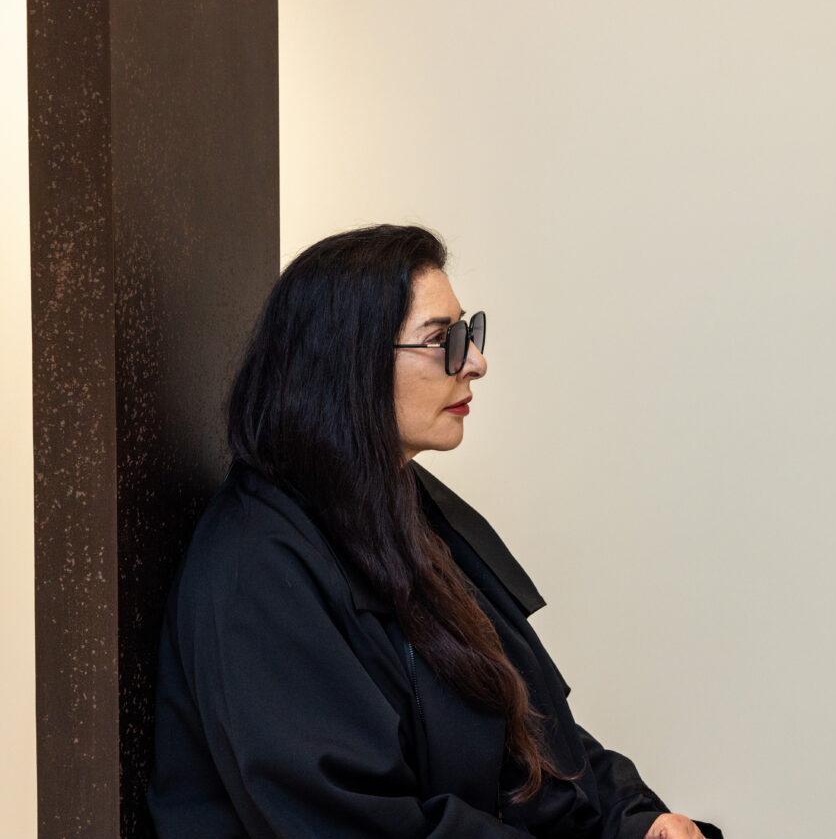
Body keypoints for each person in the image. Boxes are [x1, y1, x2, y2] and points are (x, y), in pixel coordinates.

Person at [148, 224, 722, 839]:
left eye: (467, 332)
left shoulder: (402, 507)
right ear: (349, 364)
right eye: (441, 341)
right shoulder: (256, 569)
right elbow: (357, 822)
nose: (476, 362)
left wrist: (636, 821)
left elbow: (527, 732)